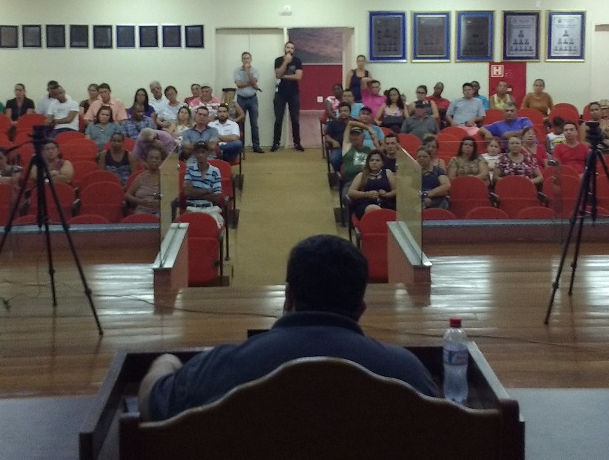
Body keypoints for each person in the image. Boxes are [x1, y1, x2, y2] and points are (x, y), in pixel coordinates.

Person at [141, 235, 438, 420]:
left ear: (288, 297)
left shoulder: (223, 365)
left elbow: (151, 404)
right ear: (360, 308)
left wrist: (165, 362)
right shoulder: (406, 372)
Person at [272, 41, 304, 151]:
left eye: (291, 48)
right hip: (280, 94)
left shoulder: (297, 61)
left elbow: (298, 76)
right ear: (284, 48)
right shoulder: (278, 60)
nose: (289, 50)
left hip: (293, 93)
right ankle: (276, 143)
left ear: (294, 50)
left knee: (295, 119)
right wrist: (285, 62)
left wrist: (283, 76)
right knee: (278, 119)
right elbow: (278, 74)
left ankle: (297, 143)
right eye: (288, 47)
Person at [182, 141, 224, 225]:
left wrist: (194, 192)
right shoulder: (189, 169)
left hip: (210, 209)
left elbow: (217, 197)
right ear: (194, 154)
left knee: (215, 226)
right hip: (192, 208)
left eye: (203, 152)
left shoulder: (215, 171)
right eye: (198, 152)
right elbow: (187, 192)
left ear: (208, 153)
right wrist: (207, 190)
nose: (200, 155)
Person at [347, 149, 395, 219]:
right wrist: (367, 194)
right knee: (374, 209)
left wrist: (386, 194)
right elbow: (351, 193)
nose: (374, 162)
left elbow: (396, 190)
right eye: (372, 160)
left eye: (377, 160)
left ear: (382, 163)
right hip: (366, 204)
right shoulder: (361, 175)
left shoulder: (388, 173)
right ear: (368, 162)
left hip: (385, 202)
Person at [233, 52, 264, 153]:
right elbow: (238, 84)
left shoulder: (255, 70)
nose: (246, 60)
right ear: (242, 60)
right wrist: (252, 84)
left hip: (252, 99)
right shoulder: (237, 71)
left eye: (248, 58)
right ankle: (240, 146)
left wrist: (247, 71)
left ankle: (256, 146)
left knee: (254, 123)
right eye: (244, 58)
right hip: (241, 99)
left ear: (251, 60)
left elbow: (254, 81)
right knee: (240, 123)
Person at [125, 146, 165, 216]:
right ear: (147, 160)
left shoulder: (165, 178)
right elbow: (127, 195)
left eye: (157, 158)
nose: (154, 160)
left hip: (161, 212)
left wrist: (161, 202)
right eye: (151, 158)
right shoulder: (140, 177)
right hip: (142, 211)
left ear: (161, 161)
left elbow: (173, 198)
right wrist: (140, 201)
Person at [325, 102, 352, 173]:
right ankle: (339, 173)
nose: (343, 113)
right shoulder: (333, 123)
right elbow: (327, 136)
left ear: (350, 112)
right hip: (339, 147)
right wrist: (333, 141)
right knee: (334, 159)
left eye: (345, 111)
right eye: (341, 111)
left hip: (353, 147)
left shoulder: (355, 122)